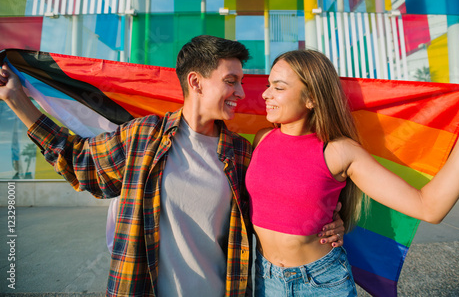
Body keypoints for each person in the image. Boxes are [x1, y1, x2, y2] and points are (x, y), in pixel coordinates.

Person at [0, 36, 345, 296]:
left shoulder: (241, 152)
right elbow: (79, 162)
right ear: (195, 82)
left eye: (240, 81)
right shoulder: (142, 137)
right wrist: (17, 99)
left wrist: (331, 218)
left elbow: (283, 203)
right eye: (231, 81)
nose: (241, 93)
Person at [245, 49, 459, 296]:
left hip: (321, 283)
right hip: (266, 280)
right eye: (268, 85)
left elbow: (429, 207)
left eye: (278, 87)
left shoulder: (339, 152)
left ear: (312, 98)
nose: (266, 94)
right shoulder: (261, 139)